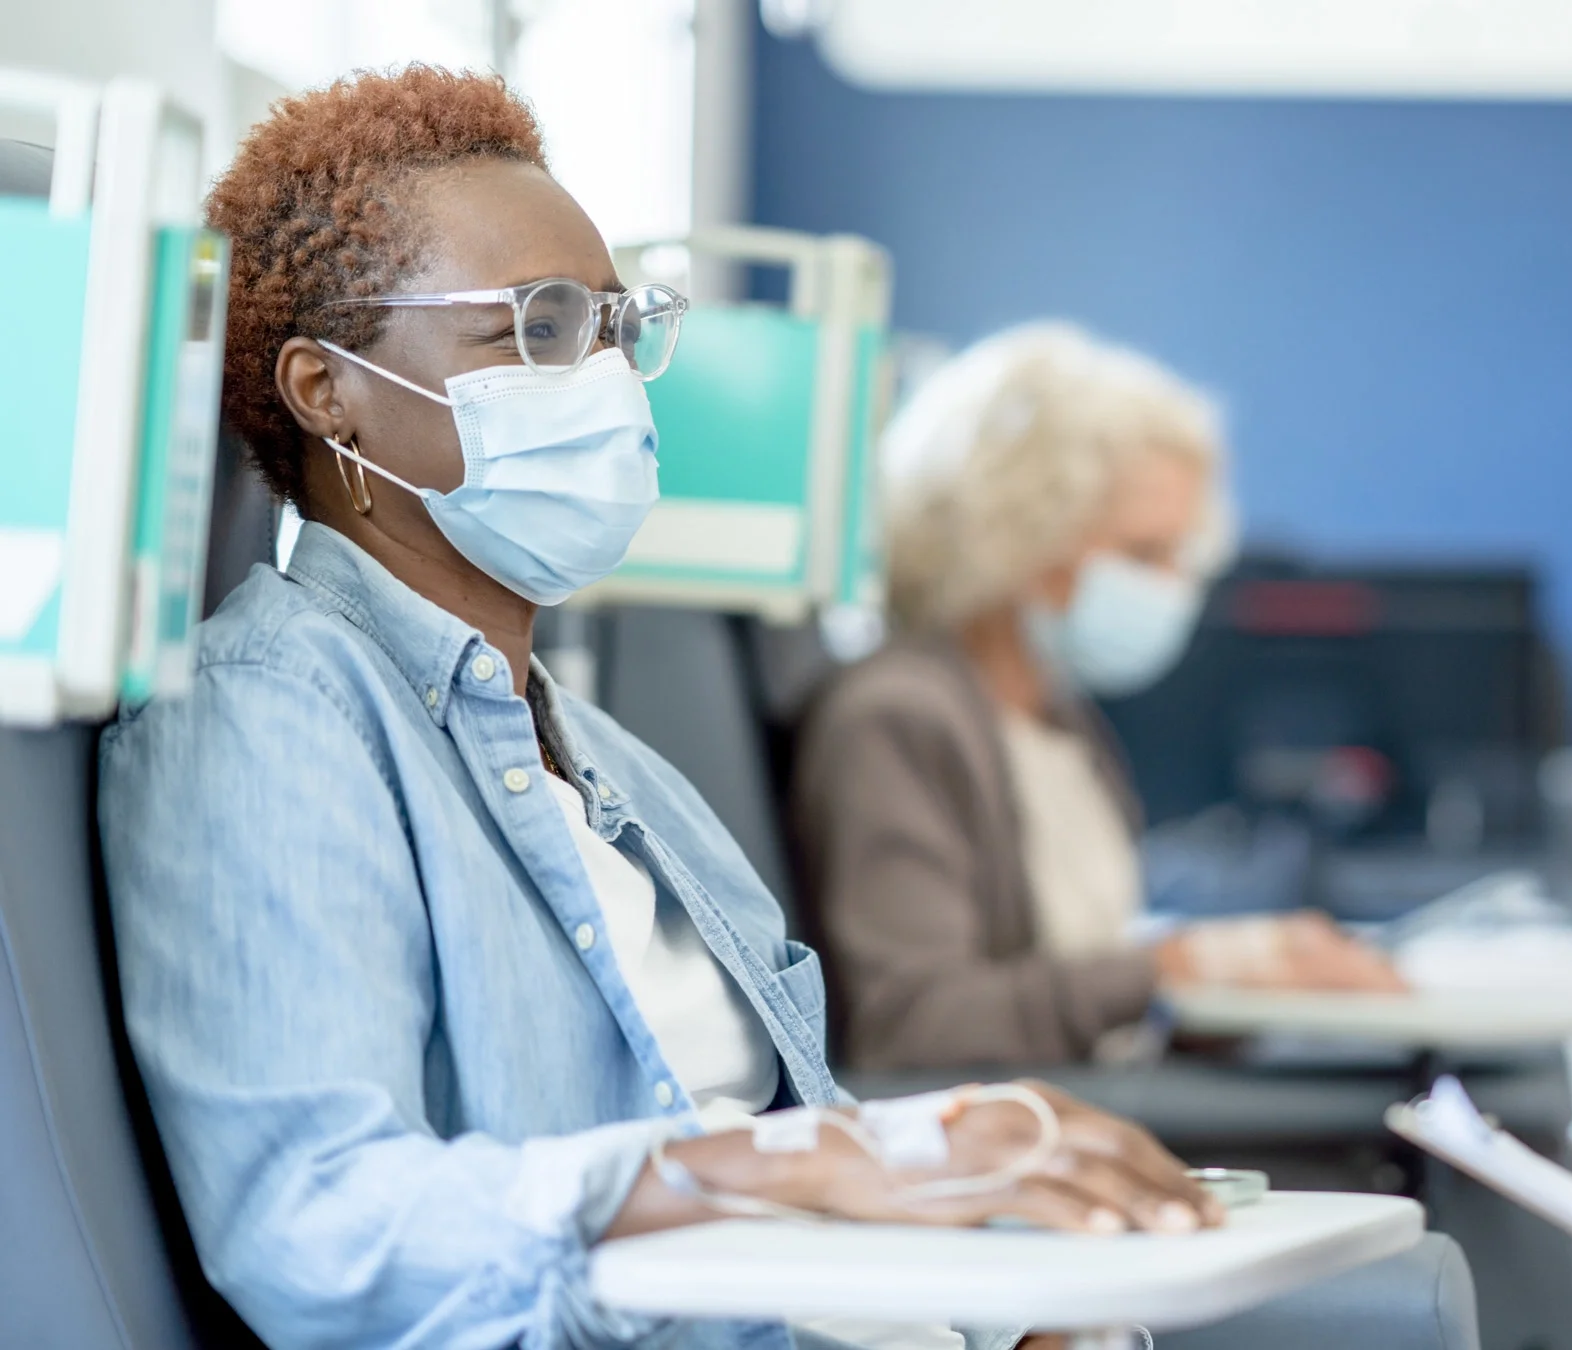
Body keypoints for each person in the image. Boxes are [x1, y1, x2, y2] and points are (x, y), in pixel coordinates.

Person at [100, 68, 1221, 1350]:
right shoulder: (269, 721)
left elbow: (809, 1138)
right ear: (326, 390)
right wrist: (763, 1173)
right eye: (538, 328)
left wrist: (1004, 1297)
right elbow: (324, 1226)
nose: (606, 378)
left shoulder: (612, 764)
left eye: (613, 327)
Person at [792, 323, 1405, 1071]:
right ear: (1016, 538)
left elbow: (1089, 997)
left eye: (1181, 554)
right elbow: (916, 1028)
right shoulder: (895, 718)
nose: (1175, 587)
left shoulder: (1057, 719)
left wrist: (1249, 976)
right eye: (1144, 553)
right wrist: (1175, 968)